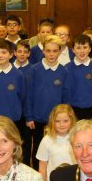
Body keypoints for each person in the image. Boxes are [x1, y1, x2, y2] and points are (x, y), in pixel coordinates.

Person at [25, 35, 68, 169]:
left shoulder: (64, 71)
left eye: (55, 51)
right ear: (43, 51)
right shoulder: (34, 69)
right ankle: (38, 176)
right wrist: (29, 116)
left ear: (60, 51)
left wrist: (63, 117)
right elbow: (28, 95)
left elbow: (65, 97)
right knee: (38, 148)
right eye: (48, 51)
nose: (51, 54)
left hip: (56, 119)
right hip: (37, 118)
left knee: (55, 148)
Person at [64, 34, 92, 122]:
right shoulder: (67, 68)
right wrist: (67, 109)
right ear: (73, 50)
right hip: (72, 110)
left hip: (91, 109)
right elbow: (65, 91)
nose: (82, 51)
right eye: (78, 48)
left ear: (90, 49)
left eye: (85, 47)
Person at [36, 104, 76, 181]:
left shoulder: (76, 138)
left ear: (71, 120)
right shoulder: (46, 140)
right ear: (52, 122)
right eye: (57, 121)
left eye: (65, 121)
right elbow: (42, 167)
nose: (62, 124)